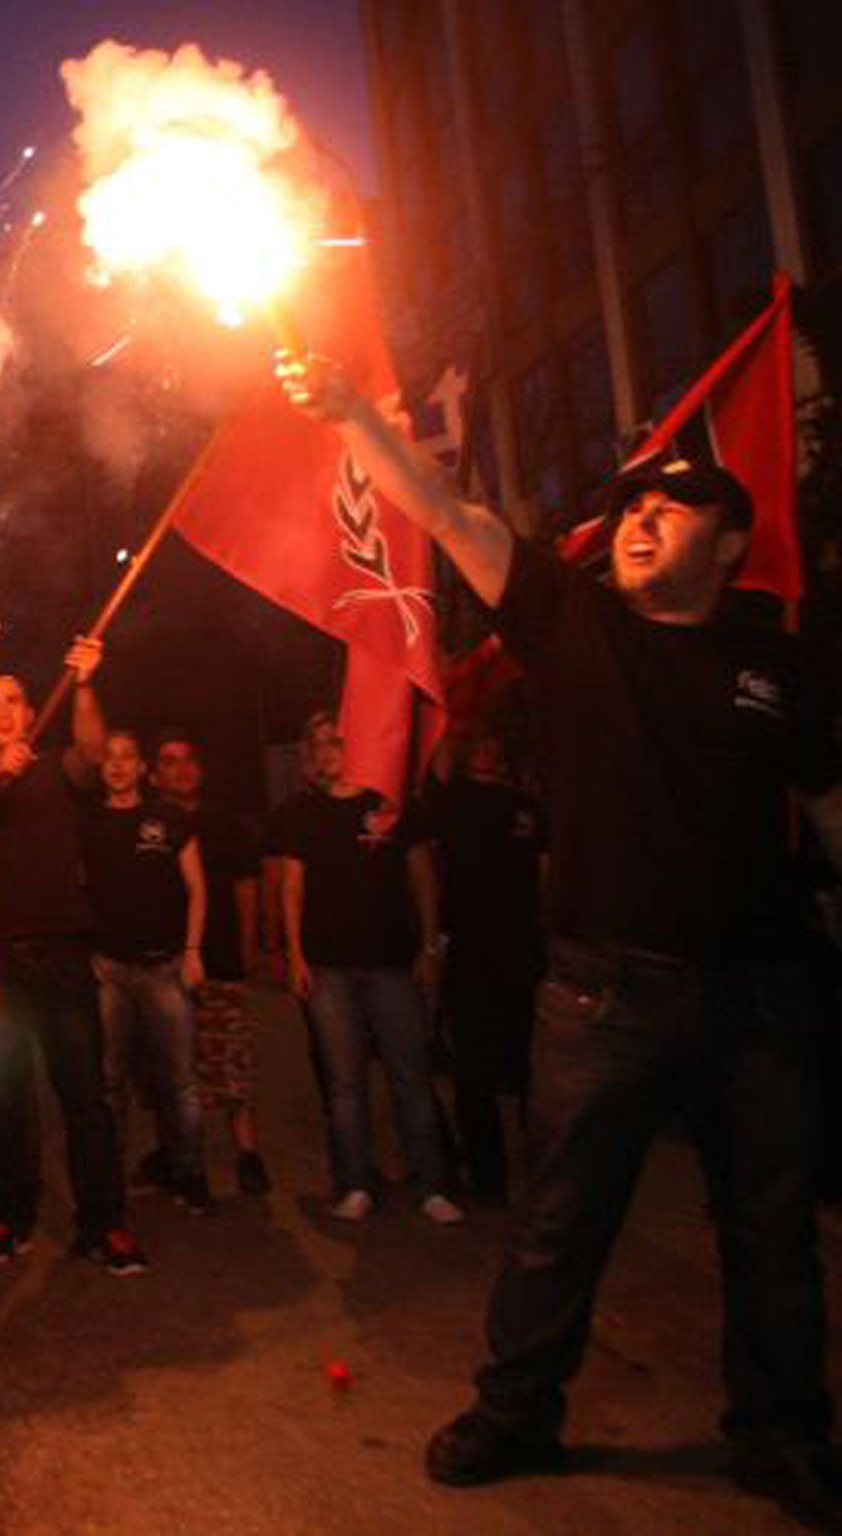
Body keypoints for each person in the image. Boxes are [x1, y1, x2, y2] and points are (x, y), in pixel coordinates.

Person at [282, 353, 842, 1524]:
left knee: (771, 1232)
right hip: (599, 1001)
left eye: (669, 505)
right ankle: (517, 1409)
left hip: (758, 1001)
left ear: (728, 545)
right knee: (558, 1222)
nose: (638, 517)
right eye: (631, 503)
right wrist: (349, 420)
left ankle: (779, 1434)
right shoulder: (574, 621)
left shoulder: (775, 667)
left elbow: (828, 807)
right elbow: (447, 513)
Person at [0, 647, 148, 1276]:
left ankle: (104, 1223)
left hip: (63, 953)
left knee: (84, 1096)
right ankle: (11, 1216)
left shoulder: (59, 770)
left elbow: (93, 755)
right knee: (3, 1098)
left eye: (13, 702)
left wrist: (85, 687)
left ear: (32, 712)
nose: (4, 714)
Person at [271, 712, 461, 1226]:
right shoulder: (299, 813)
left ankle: (430, 1185)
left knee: (411, 1075)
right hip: (328, 967)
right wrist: (294, 955)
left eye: (340, 742)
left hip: (392, 963)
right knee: (345, 1082)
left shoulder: (392, 806)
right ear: (311, 754)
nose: (330, 751)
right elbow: (291, 887)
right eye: (321, 744)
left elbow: (421, 876)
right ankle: (355, 1182)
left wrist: (428, 945)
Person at [79, 728, 208, 1210]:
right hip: (109, 972)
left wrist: (193, 950)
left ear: (140, 768)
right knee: (109, 1083)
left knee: (180, 1081)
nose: (117, 764)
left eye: (127, 756)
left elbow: (196, 888)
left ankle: (189, 1175)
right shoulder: (87, 824)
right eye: (108, 757)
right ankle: (110, 1183)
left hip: (165, 969)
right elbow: (79, 887)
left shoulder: (168, 819)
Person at [423, 721, 545, 1206]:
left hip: (524, 953)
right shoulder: (451, 800)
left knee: (535, 1069)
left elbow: (546, 875)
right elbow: (436, 758)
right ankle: (488, 1174)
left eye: (495, 739)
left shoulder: (528, 810)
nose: (487, 746)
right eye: (480, 738)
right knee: (473, 1068)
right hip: (470, 951)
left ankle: (544, 1171)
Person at [149, 729, 272, 1197]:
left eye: (188, 759)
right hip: (163, 965)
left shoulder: (226, 826)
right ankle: (177, 1156)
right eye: (169, 761)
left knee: (232, 1059)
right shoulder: (146, 824)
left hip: (220, 960)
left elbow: (247, 888)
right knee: (171, 1069)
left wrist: (250, 949)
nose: (181, 769)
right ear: (154, 774)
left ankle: (247, 1153)